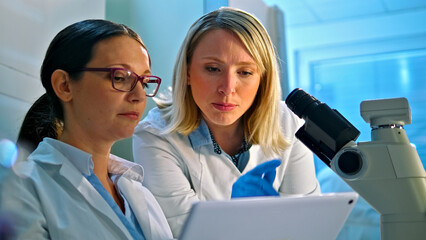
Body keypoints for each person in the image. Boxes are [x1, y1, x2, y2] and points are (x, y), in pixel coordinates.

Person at [133, 7, 320, 237]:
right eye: (212, 69)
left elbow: (309, 228)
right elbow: (186, 234)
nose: (227, 88)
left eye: (245, 72)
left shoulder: (289, 123)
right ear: (187, 72)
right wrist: (240, 218)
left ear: (263, 78)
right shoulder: (155, 136)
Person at [0, 19, 173, 240]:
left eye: (145, 82)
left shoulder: (139, 193)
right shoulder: (26, 189)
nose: (138, 96)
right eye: (120, 78)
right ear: (64, 85)